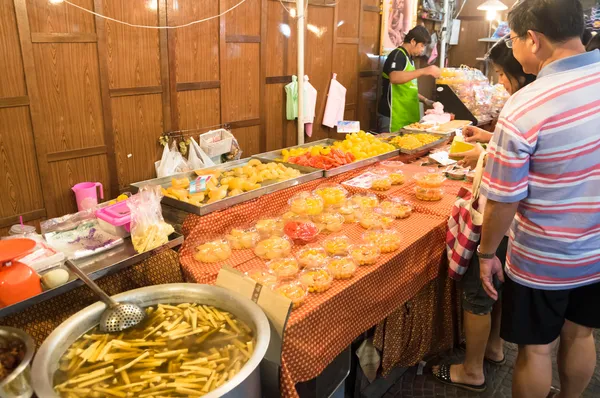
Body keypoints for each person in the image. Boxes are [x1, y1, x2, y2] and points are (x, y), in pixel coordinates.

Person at [477, 1, 600, 397]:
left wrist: (485, 253)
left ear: (533, 39)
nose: (511, 49)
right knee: (581, 335)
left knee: (535, 349)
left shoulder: (527, 104)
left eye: (511, 39)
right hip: (596, 249)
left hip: (543, 257)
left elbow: (502, 200)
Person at [431, 39, 534, 393]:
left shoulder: (524, 104)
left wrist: (486, 250)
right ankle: (493, 349)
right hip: (520, 225)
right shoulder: (541, 101)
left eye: (503, 75)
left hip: (497, 219)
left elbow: (509, 174)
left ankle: (471, 371)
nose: (501, 83)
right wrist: (488, 144)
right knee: (499, 288)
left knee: (479, 292)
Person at [378, 25, 440, 134]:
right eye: (421, 45)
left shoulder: (409, 59)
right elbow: (395, 78)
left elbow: (408, 89)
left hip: (405, 116)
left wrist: (427, 101)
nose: (422, 50)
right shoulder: (397, 55)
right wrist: (424, 71)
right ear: (413, 41)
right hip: (393, 116)